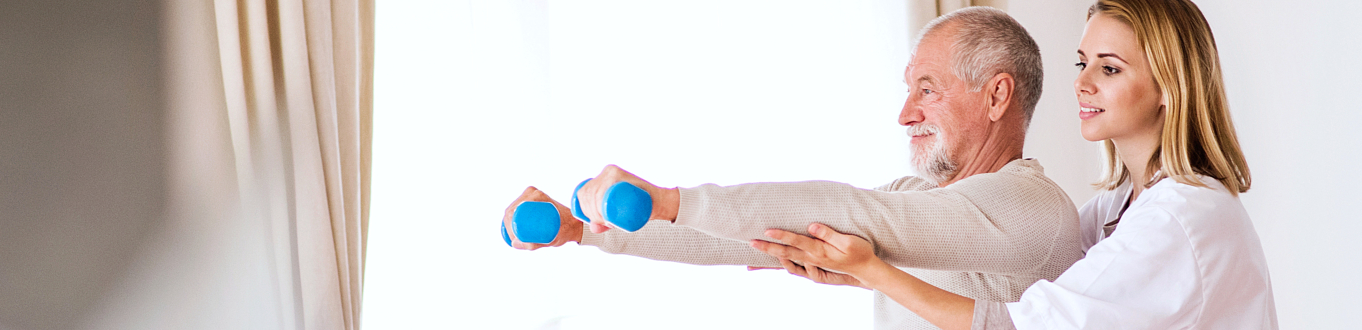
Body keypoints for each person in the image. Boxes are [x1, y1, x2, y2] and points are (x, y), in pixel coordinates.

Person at [500, 7, 1089, 330]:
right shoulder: (915, 199)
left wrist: (668, 198)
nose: (905, 113)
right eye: (908, 89)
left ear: (995, 97)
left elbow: (852, 213)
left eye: (927, 90)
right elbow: (756, 241)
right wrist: (587, 232)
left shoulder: (1029, 206)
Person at [747, 0, 1278, 329]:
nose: (1083, 82)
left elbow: (1016, 324)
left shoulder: (1181, 219)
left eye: (1110, 68)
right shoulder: (1114, 212)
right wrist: (861, 272)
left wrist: (874, 272)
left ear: (1169, 86)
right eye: (1082, 62)